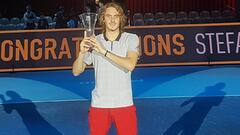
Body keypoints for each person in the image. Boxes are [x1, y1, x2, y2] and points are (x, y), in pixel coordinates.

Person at [72, 2, 139, 135]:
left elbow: (130, 65)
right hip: (99, 104)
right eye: (108, 16)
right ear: (103, 18)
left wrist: (103, 51)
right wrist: (82, 52)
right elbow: (76, 71)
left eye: (116, 16)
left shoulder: (131, 38)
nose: (112, 20)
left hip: (124, 103)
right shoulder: (94, 40)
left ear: (121, 19)